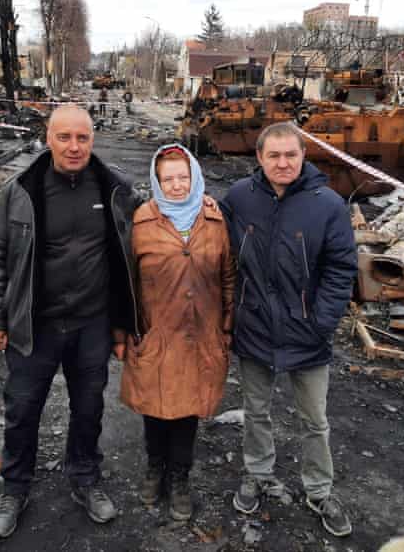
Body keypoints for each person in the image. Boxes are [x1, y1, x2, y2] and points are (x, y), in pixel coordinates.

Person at [0, 104, 140, 538]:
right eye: (64, 137)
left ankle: (85, 478)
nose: (74, 146)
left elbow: (149, 228)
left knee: (88, 408)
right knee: (22, 409)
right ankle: (15, 488)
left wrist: (198, 202)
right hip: (35, 325)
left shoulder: (114, 188)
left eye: (82, 138)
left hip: (92, 324)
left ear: (92, 140)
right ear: (48, 138)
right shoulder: (20, 190)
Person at [219, 122, 357, 538]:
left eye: (290, 155)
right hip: (255, 328)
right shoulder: (239, 197)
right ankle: (258, 474)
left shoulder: (328, 205)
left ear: (303, 156)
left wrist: (322, 322)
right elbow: (219, 252)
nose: (283, 163)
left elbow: (341, 269)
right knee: (256, 411)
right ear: (259, 158)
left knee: (314, 420)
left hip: (307, 333)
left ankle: (319, 490)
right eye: (274, 156)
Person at [115, 143, 234, 522]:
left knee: (186, 413)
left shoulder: (215, 220)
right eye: (168, 179)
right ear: (156, 181)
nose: (177, 185)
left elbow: (228, 277)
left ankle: (179, 478)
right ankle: (155, 468)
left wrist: (227, 327)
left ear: (195, 177)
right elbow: (126, 282)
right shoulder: (141, 222)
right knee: (154, 408)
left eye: (184, 177)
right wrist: (124, 331)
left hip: (201, 336)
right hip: (156, 334)